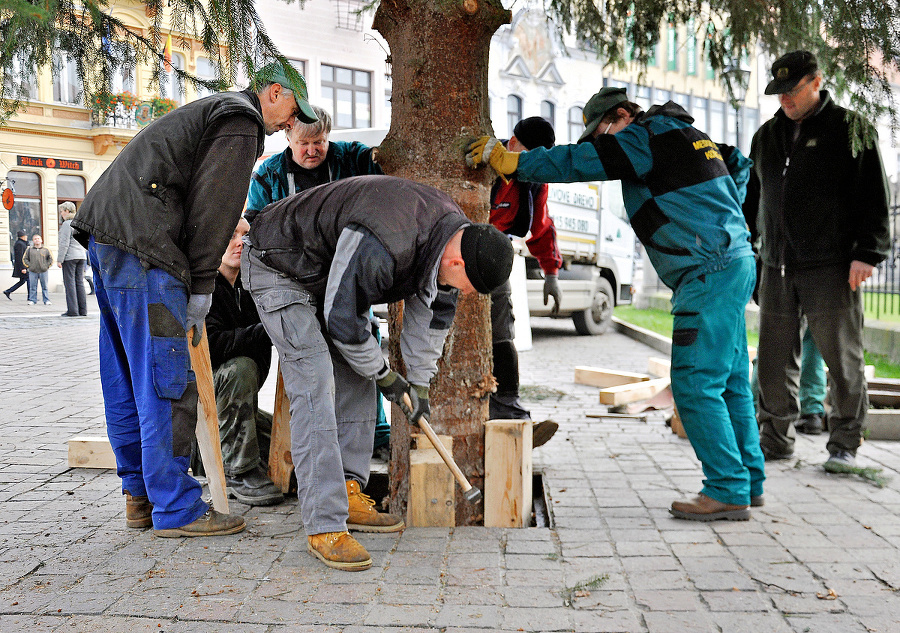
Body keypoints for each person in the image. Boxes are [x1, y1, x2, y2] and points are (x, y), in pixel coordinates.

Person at [467, 86, 765, 521]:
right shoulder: (688, 135)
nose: (605, 143)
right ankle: (748, 481)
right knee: (732, 379)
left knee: (695, 383)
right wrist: (725, 221)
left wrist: (516, 162)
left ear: (623, 114)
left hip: (706, 271)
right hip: (733, 263)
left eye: (605, 131)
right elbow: (739, 163)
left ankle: (726, 489)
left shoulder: (645, 135)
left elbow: (579, 161)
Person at [70, 62, 318, 537]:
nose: (292, 123)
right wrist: (202, 286)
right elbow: (215, 210)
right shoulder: (240, 120)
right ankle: (176, 507)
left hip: (109, 236)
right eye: (292, 110)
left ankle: (140, 498)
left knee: (125, 374)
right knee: (166, 377)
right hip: (146, 246)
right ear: (272, 92)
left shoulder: (212, 112)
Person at [243, 174, 514, 570]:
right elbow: (343, 318)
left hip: (328, 273)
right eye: (469, 286)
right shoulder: (388, 239)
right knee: (316, 381)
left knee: (357, 375)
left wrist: (418, 385)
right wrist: (386, 374)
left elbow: (432, 316)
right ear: (457, 262)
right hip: (277, 262)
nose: (467, 293)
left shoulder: (452, 237)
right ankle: (324, 525)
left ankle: (348, 490)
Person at [743, 50, 890, 472]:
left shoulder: (850, 129)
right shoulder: (767, 136)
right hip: (775, 266)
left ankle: (844, 441)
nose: (784, 100)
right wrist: (753, 254)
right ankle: (775, 439)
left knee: (842, 359)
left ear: (816, 81)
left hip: (831, 265)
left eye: (792, 91)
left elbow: (874, 197)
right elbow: (753, 201)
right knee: (772, 361)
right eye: (779, 93)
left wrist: (867, 254)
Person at [245, 104, 390, 454]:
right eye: (304, 143)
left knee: (362, 344)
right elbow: (255, 224)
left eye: (320, 142)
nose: (312, 151)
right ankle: (314, 442)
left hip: (347, 274)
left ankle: (379, 433)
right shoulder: (269, 174)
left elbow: (381, 163)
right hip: (294, 277)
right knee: (311, 365)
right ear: (288, 136)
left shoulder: (350, 157)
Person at [488, 116, 561, 447]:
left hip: (496, 249)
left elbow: (541, 225)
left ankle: (509, 412)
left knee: (503, 328)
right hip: (453, 251)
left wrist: (551, 272)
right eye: (529, 156)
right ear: (513, 143)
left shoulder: (533, 177)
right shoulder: (486, 163)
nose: (533, 166)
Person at [201, 217, 281, 506]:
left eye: (246, 235)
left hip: (236, 401)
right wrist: (267, 330)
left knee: (287, 448)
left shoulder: (251, 285)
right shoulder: (203, 286)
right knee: (241, 368)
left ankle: (213, 455)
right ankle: (239, 471)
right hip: (204, 393)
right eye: (231, 234)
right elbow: (211, 345)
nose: (240, 242)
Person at [56, 201, 88, 317]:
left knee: (70, 284)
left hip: (70, 257)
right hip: (81, 256)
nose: (61, 214)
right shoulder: (80, 223)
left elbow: (64, 243)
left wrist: (60, 259)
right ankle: (83, 310)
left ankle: (73, 310)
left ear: (67, 211)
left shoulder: (67, 224)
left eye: (62, 211)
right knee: (79, 283)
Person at [23, 234, 52, 305]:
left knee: (44, 286)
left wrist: (46, 266)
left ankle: (46, 300)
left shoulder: (46, 249)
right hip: (33, 271)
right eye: (35, 239)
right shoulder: (29, 250)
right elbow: (25, 259)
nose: (37, 240)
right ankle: (32, 300)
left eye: (38, 238)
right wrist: (30, 266)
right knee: (32, 286)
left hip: (43, 271)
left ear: (41, 240)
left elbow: (50, 259)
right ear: (33, 241)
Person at [3, 230, 29, 300]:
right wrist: (23, 268)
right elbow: (20, 256)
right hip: (22, 266)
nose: (26, 237)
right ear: (22, 237)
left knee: (22, 281)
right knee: (28, 279)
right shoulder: (20, 244)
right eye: (25, 236)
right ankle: (30, 296)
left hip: (22, 266)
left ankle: (8, 291)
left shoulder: (22, 243)